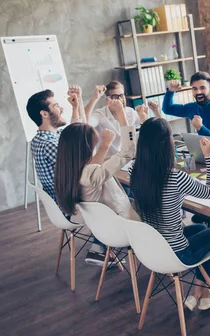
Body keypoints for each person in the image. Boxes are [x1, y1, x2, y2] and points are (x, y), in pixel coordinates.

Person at [130, 118, 210, 311]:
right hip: (177, 253)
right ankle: (202, 290)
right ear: (167, 145)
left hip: (152, 249)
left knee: (199, 228)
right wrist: (208, 157)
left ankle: (200, 290)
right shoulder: (175, 177)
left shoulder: (135, 172)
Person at [27, 85, 107, 265]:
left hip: (63, 201)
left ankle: (104, 245)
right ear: (44, 114)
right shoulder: (51, 144)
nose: (60, 107)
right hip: (71, 206)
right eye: (55, 105)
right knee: (117, 192)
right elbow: (86, 162)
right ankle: (100, 248)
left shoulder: (44, 139)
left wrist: (77, 105)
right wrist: (104, 148)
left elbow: (78, 129)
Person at [54, 98, 142, 224]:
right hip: (122, 226)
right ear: (87, 148)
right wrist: (121, 113)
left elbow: (75, 135)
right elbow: (128, 152)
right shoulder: (91, 174)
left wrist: (77, 104)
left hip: (99, 226)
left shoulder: (67, 170)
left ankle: (98, 244)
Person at [162, 71, 210, 153]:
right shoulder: (191, 107)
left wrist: (200, 128)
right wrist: (170, 91)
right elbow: (167, 109)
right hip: (207, 153)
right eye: (195, 89)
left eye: (202, 88)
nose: (198, 92)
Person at [86, 81, 152, 157]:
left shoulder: (130, 112)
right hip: (109, 161)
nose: (121, 99)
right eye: (115, 96)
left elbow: (148, 131)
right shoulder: (100, 115)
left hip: (129, 158)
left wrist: (144, 119)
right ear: (108, 100)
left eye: (122, 95)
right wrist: (94, 99)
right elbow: (83, 122)